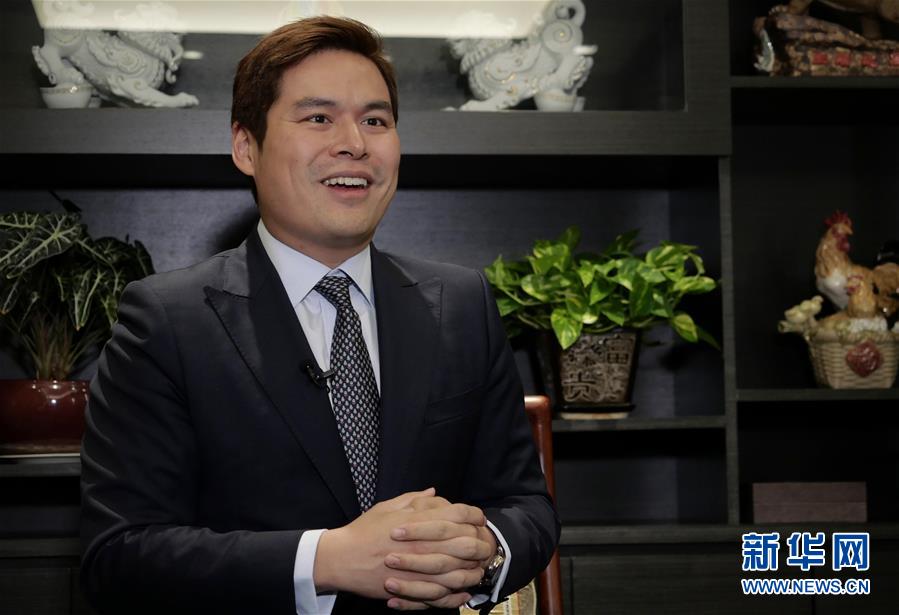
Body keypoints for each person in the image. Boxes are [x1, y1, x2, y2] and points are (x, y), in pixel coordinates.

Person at [80, 15, 559, 614]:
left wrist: (481, 551)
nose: (355, 143)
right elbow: (119, 555)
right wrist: (325, 560)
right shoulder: (166, 321)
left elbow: (526, 506)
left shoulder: (462, 303)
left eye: (375, 120)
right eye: (318, 118)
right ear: (246, 147)